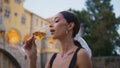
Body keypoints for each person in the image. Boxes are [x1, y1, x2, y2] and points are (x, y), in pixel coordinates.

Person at [24, 11, 92, 68]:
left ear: (70, 26)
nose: (50, 25)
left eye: (56, 21)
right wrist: (32, 58)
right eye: (51, 22)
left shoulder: (81, 55)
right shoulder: (52, 58)